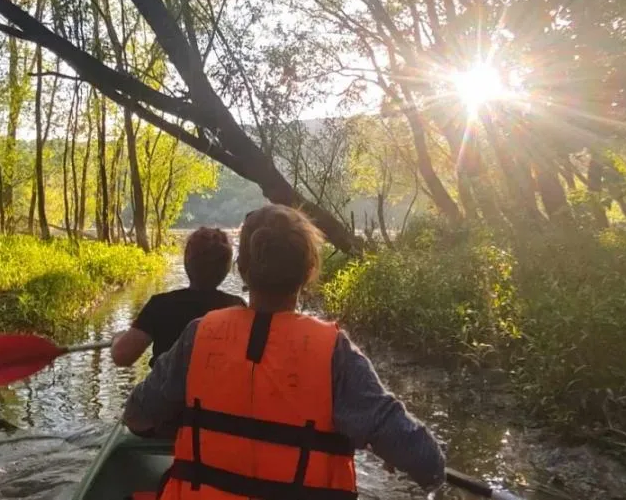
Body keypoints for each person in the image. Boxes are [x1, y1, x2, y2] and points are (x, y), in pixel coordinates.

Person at [123, 204, 446, 499]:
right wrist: (404, 455)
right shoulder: (334, 353)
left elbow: (137, 414)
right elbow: (424, 460)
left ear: (242, 270)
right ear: (308, 272)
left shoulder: (199, 335)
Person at [112, 227, 246, 368]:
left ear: (187, 261)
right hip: (219, 390)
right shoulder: (237, 308)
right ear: (226, 268)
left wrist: (117, 338)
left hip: (167, 390)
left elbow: (121, 356)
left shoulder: (161, 305)